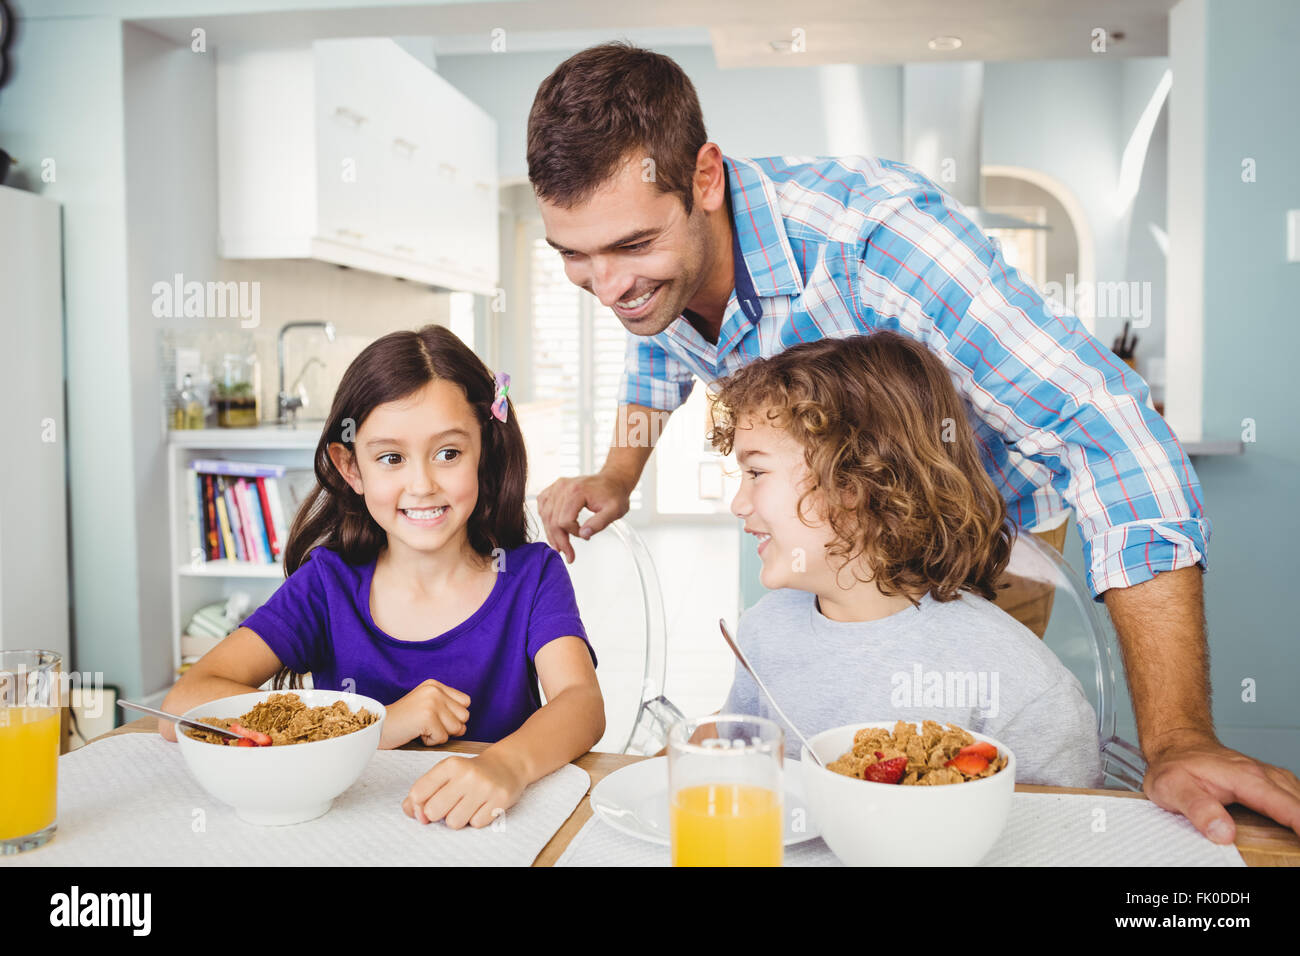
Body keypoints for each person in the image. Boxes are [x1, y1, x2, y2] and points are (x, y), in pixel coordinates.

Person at [528, 43, 1300, 841]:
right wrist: (620, 472)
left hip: (988, 551)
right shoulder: (657, 278)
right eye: (574, 258)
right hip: (836, 562)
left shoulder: (878, 243)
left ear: (706, 180)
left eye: (631, 247)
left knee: (945, 785)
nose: (610, 287)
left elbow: (1112, 436)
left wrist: (1177, 738)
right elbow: (655, 342)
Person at [160, 325, 605, 829]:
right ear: (351, 468)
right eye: (391, 458)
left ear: (485, 453)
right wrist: (374, 724)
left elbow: (582, 703)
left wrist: (507, 764)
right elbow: (183, 705)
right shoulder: (327, 585)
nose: (422, 484)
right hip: (342, 833)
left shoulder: (531, 576)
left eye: (449, 453)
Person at [709, 331, 1101, 785]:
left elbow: (1068, 831)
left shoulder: (1019, 684)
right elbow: (734, 766)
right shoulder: (762, 632)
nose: (739, 503)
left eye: (756, 472)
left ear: (853, 482)